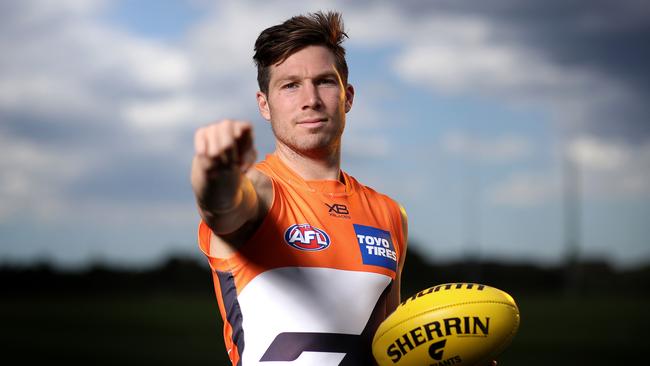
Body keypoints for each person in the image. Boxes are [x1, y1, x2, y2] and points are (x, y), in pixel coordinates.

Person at [191, 11, 407, 365]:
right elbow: (221, 206)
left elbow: (391, 350)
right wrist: (212, 172)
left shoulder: (389, 214)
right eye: (290, 85)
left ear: (347, 96)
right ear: (265, 104)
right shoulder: (259, 191)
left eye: (324, 81)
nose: (311, 99)